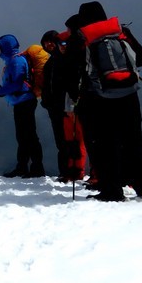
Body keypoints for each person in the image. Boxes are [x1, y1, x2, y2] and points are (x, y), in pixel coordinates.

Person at [65, 1, 142, 201]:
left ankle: (111, 190)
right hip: (129, 96)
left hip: (96, 101)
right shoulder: (121, 31)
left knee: (103, 145)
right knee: (134, 142)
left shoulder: (80, 38)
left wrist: (75, 96)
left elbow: (70, 72)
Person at [0, 34, 45, 178]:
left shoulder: (16, 62)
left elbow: (17, 84)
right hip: (22, 101)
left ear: (5, 47)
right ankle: (25, 167)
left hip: (24, 101)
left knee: (28, 135)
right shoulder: (14, 61)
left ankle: (34, 168)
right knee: (24, 136)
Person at [39, 30, 85, 182]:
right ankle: (68, 171)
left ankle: (71, 172)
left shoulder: (61, 60)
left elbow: (63, 83)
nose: (48, 45)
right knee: (63, 140)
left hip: (64, 106)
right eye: (45, 43)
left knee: (69, 140)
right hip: (57, 106)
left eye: (51, 41)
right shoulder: (54, 61)